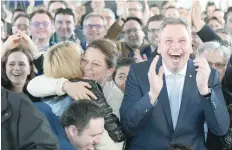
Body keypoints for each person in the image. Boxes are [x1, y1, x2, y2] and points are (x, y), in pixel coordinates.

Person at [120, 17, 230, 150]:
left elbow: (220, 129)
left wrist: (205, 91)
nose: (175, 46)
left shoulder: (208, 74)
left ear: (191, 47)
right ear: (159, 46)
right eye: (168, 41)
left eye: (182, 41)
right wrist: (151, 96)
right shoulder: (139, 72)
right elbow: (127, 127)